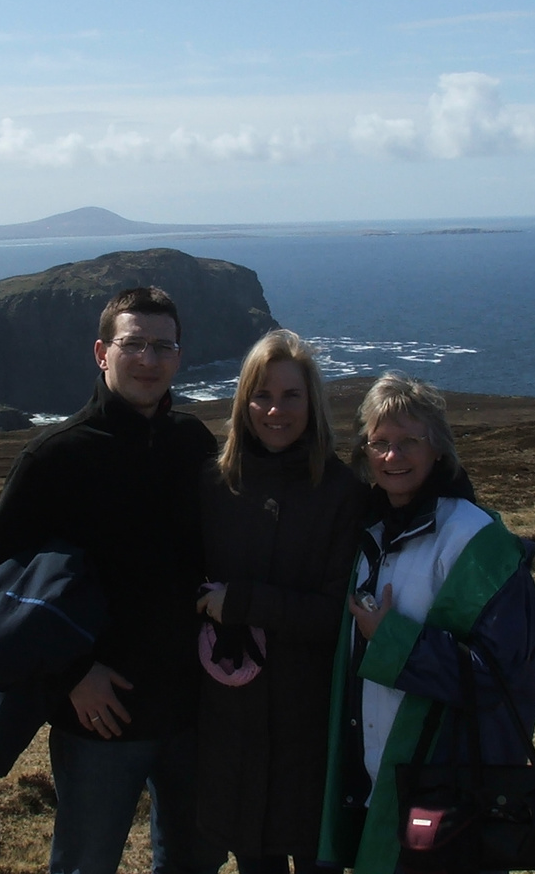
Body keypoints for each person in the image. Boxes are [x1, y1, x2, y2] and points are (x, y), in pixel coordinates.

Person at [0, 286, 225, 874]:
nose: (148, 359)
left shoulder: (194, 444)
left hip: (194, 707)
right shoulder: (55, 458)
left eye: (163, 346)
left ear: (179, 357)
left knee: (197, 860)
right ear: (100, 352)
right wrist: (73, 676)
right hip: (100, 716)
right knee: (87, 862)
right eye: (132, 344)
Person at [318, 372, 535, 874]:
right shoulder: (372, 533)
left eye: (409, 442)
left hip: (451, 789)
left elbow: (498, 677)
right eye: (379, 443)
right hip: (383, 780)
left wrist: (391, 641)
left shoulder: (475, 543)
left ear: (438, 449)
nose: (392, 457)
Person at [195, 330, 366, 874]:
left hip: (312, 727)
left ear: (313, 402)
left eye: (291, 396)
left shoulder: (344, 493)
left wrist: (242, 602)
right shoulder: (215, 485)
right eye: (262, 395)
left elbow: (335, 613)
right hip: (234, 727)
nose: (275, 410)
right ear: (243, 400)